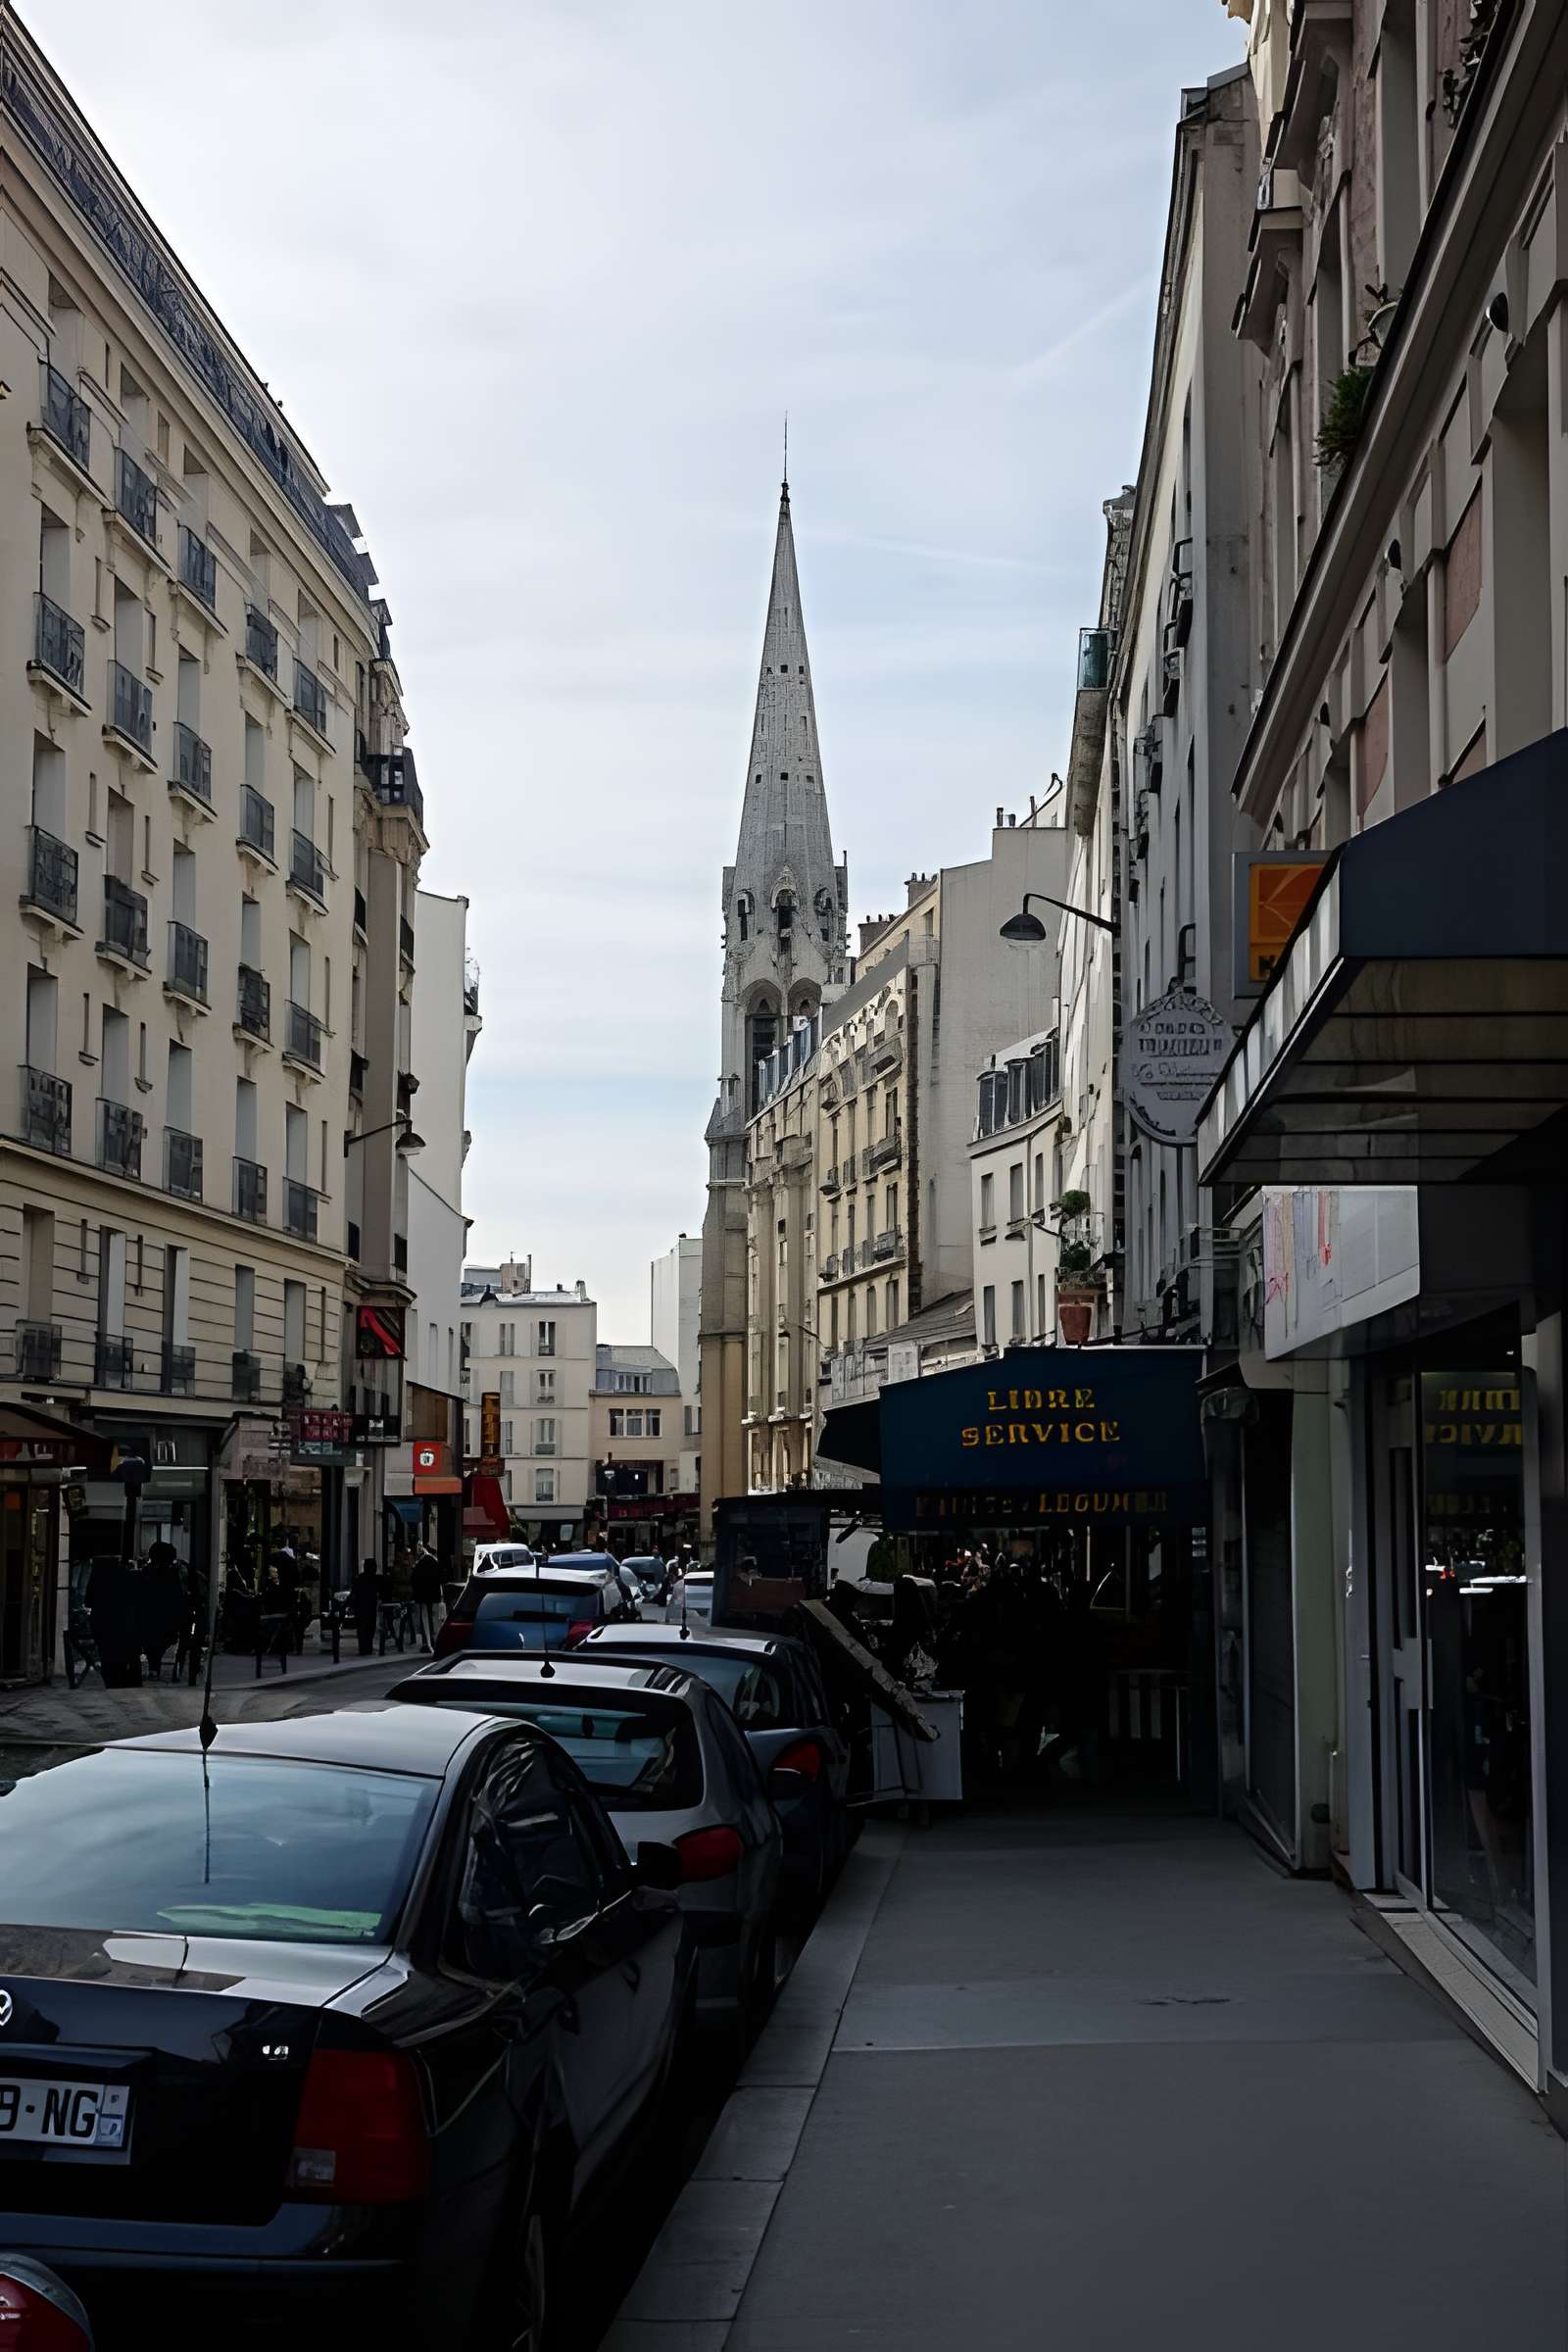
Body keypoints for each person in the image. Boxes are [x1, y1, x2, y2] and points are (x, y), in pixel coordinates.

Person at [138, 1541, 187, 1680]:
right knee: (163, 1640)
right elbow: (177, 1595)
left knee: (151, 1641)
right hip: (167, 1616)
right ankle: (155, 1665)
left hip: (149, 1614)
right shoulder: (172, 1573)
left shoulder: (146, 1571)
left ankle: (154, 1666)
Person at [412, 1542, 445, 1652]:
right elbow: (441, 1578)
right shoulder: (435, 1564)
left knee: (424, 1618)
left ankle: (426, 1642)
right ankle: (435, 1640)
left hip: (422, 1595)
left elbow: (413, 1579)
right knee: (434, 1618)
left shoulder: (419, 1564)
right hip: (434, 1595)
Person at [350, 1557, 380, 1656]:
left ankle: (363, 1648)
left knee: (362, 1628)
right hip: (370, 1606)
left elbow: (354, 1592)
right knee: (370, 1627)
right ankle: (368, 1648)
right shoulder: (375, 1579)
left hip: (361, 1607)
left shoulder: (359, 1578)